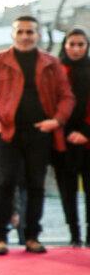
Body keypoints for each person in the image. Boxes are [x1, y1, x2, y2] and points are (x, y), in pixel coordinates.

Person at [0, 15, 74, 254]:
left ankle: (32, 236)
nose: (25, 36)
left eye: (30, 32)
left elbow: (67, 96)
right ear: (13, 34)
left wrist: (56, 120)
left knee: (36, 185)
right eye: (20, 31)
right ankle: (0, 238)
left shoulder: (50, 63)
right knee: (6, 182)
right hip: (8, 132)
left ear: (38, 35)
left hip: (39, 132)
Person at [54, 27, 90, 246]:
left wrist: (85, 132)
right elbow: (50, 103)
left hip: (88, 140)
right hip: (62, 140)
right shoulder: (56, 70)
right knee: (67, 192)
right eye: (72, 44)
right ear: (65, 46)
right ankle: (74, 235)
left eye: (81, 44)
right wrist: (65, 132)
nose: (76, 49)